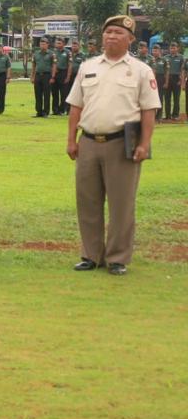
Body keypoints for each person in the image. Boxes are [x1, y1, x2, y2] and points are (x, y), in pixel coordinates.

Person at [65, 14, 160, 275]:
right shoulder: (88, 66)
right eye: (108, 32)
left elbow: (149, 111)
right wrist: (71, 139)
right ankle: (90, 254)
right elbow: (76, 106)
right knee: (87, 201)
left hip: (122, 143)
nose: (111, 37)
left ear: (130, 39)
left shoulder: (141, 70)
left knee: (121, 203)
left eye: (118, 33)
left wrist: (144, 144)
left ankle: (117, 257)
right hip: (89, 142)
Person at [32, 37, 55, 117]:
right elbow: (34, 65)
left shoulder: (51, 54)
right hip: (38, 75)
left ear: (47, 45)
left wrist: (53, 77)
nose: (42, 46)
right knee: (37, 94)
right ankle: (39, 112)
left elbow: (54, 65)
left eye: (44, 44)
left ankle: (46, 112)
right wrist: (32, 77)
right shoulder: (36, 54)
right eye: (41, 44)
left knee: (46, 94)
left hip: (47, 75)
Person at [52, 36, 71, 115]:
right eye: (57, 43)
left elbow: (70, 65)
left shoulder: (67, 52)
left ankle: (62, 109)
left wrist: (68, 76)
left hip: (63, 73)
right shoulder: (53, 52)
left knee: (63, 93)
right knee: (54, 93)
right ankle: (55, 110)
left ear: (63, 44)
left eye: (60, 43)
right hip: (54, 73)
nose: (58, 44)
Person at [166, 41, 184, 121]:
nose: (172, 49)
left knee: (176, 98)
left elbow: (182, 70)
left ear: (177, 48)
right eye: (171, 48)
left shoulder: (181, 57)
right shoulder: (166, 57)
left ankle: (175, 115)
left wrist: (181, 81)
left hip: (177, 79)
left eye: (174, 48)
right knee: (167, 98)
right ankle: (168, 115)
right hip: (168, 79)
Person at [150, 44, 168, 120]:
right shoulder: (149, 59)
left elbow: (167, 72)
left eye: (156, 50)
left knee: (160, 98)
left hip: (160, 79)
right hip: (150, 79)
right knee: (151, 98)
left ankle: (159, 115)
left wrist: (166, 82)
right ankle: (151, 115)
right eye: (153, 50)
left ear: (160, 51)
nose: (154, 52)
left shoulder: (164, 60)